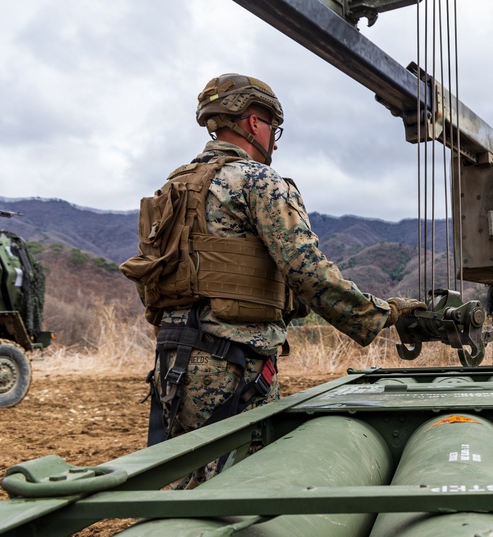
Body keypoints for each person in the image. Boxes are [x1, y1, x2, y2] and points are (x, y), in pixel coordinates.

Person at [122, 73, 424, 487]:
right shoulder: (257, 180)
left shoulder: (175, 185)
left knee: (188, 481)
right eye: (273, 129)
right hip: (233, 364)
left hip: (175, 361)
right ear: (252, 122)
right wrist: (383, 314)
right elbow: (307, 269)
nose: (275, 142)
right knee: (245, 486)